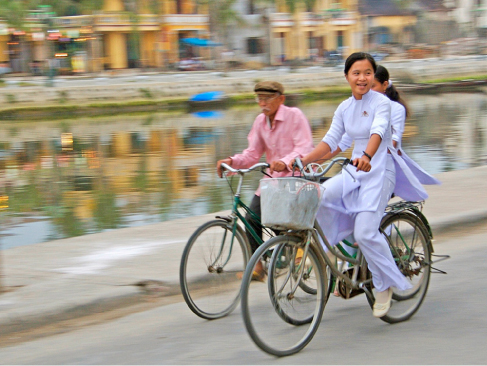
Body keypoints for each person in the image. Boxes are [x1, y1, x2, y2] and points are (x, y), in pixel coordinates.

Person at [290, 52, 428, 318]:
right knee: (319, 195)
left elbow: (377, 132)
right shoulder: (344, 107)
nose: (362, 78)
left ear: (373, 76)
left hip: (379, 171)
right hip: (356, 170)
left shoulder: (382, 104)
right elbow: (331, 142)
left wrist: (366, 156)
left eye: (367, 73)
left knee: (366, 232)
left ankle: (384, 283)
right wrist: (302, 160)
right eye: (356, 73)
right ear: (347, 77)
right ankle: (337, 245)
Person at [217, 81, 314, 280]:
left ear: (281, 98)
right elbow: (252, 154)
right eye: (259, 98)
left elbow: (304, 147)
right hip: (272, 181)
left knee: (283, 222)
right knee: (252, 217)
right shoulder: (260, 122)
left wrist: (285, 162)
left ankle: (297, 247)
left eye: (267, 98)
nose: (263, 103)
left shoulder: (294, 116)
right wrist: (232, 161)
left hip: (296, 178)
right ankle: (257, 265)